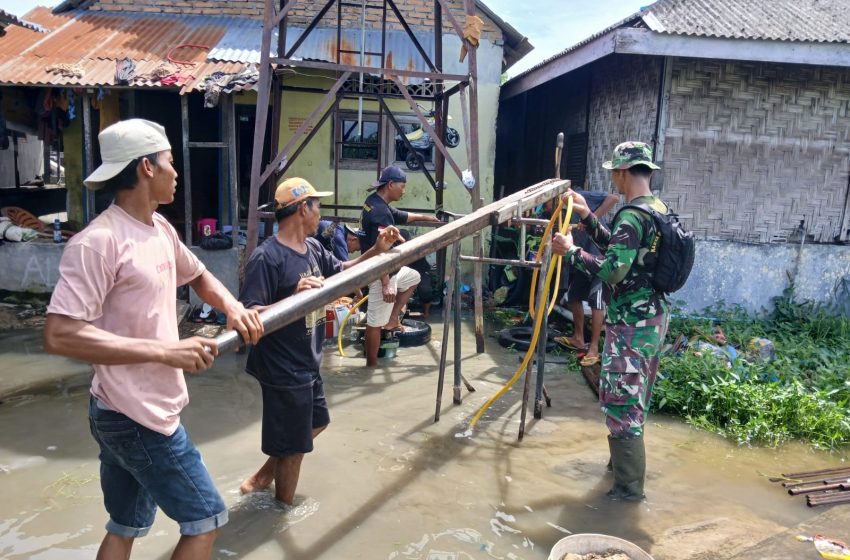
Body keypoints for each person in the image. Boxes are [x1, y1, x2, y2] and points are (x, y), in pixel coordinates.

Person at [42, 119, 264, 560]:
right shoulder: (98, 243)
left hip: (124, 409)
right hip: (135, 416)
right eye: (170, 162)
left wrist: (233, 307)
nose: (176, 173)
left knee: (125, 526)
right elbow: (59, 334)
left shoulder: (159, 228)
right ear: (147, 167)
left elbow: (198, 274)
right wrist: (166, 351)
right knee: (206, 521)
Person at [238, 177, 403, 505]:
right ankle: (281, 514)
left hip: (307, 359)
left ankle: (262, 477)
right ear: (303, 208)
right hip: (282, 365)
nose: (321, 214)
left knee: (317, 423)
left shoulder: (312, 248)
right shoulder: (267, 257)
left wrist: (377, 250)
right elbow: (248, 315)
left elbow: (342, 272)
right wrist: (293, 298)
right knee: (295, 448)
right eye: (318, 207)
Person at [552, 141, 670, 502]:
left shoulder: (632, 216)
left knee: (621, 401)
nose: (613, 181)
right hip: (652, 318)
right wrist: (588, 217)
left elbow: (614, 270)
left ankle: (627, 495)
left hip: (632, 323)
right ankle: (619, 470)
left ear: (622, 172)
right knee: (635, 398)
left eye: (614, 174)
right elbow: (622, 250)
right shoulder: (656, 209)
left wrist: (571, 252)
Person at [360, 165, 440, 367]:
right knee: (374, 323)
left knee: (414, 277)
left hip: (389, 270)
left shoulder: (375, 202)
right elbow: (381, 252)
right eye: (402, 186)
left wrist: (427, 218)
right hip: (379, 272)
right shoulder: (380, 213)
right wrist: (385, 283)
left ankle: (393, 318)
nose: (404, 191)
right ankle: (370, 367)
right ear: (390, 184)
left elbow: (401, 215)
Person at [558, 189, 618, 366]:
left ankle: (593, 348)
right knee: (573, 296)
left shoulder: (577, 196)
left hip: (600, 258)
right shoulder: (559, 214)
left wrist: (591, 218)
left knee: (596, 301)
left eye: (545, 204)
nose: (547, 208)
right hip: (583, 258)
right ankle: (578, 338)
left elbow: (613, 198)